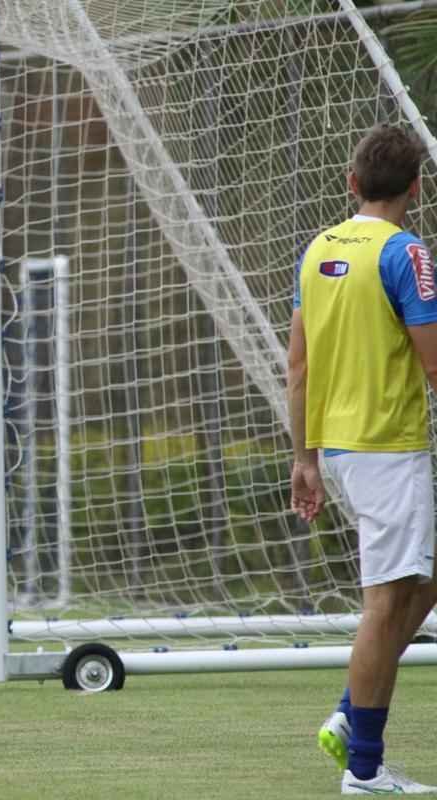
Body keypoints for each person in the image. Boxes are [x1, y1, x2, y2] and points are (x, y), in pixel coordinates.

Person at [290, 124, 437, 795]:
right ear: (415, 187)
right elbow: (433, 360)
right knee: (384, 603)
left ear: (352, 183)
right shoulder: (407, 253)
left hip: (344, 450)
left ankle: (354, 715)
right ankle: (365, 768)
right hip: (388, 445)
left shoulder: (318, 249)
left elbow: (298, 365)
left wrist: (305, 457)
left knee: (421, 578)